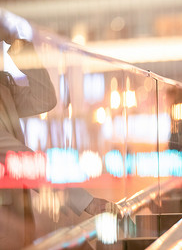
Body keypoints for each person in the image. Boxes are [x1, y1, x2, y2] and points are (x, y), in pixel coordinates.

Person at [0, 13, 118, 249]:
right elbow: (20, 159)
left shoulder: (3, 85)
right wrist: (86, 202)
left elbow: (44, 98)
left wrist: (20, 46)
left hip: (15, 211)